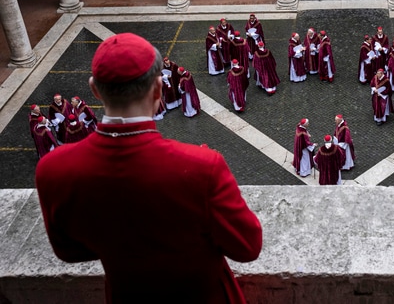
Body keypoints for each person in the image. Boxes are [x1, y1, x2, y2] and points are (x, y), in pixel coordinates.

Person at [34, 33, 262, 303]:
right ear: (158, 89)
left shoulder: (53, 170)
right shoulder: (202, 167)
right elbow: (248, 247)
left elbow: (68, 251)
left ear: (94, 89)